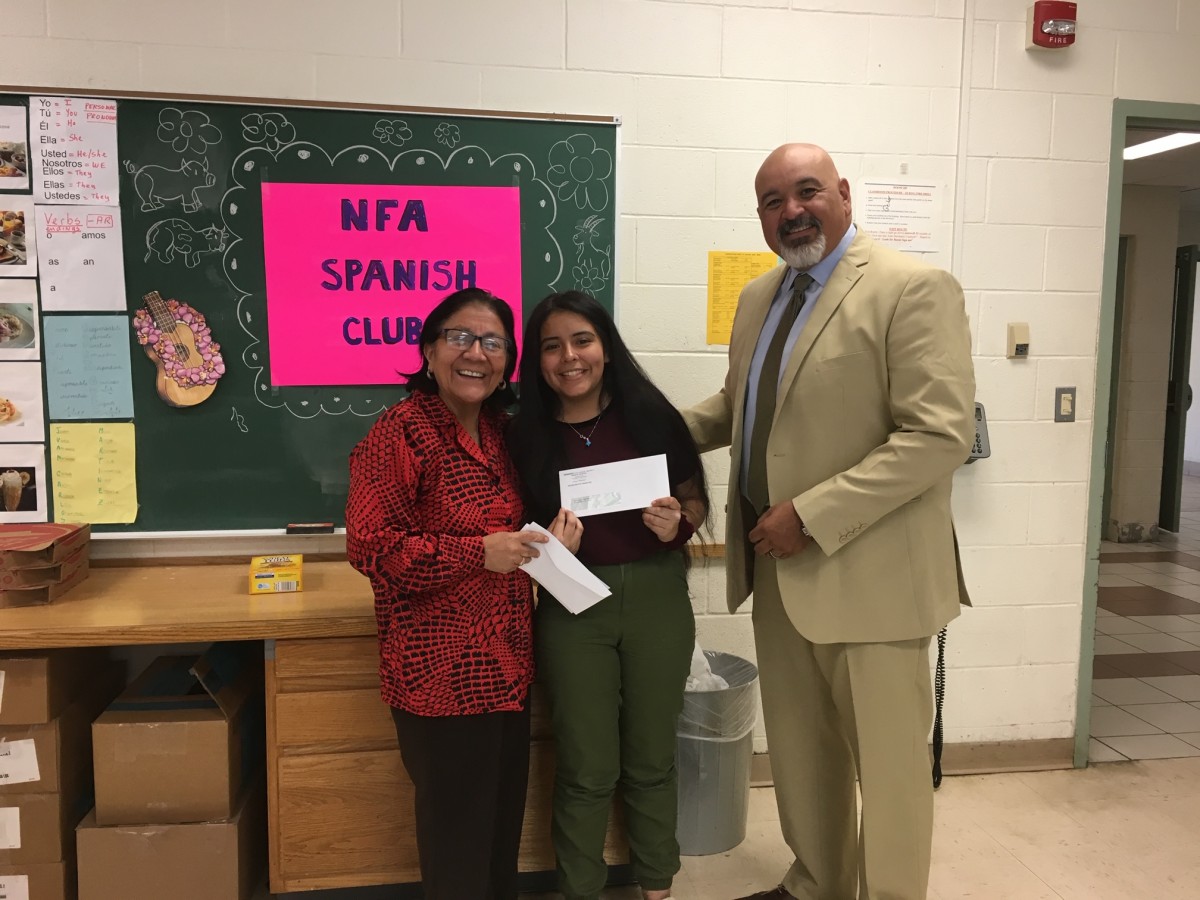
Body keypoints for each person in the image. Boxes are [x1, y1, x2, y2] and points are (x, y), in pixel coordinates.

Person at [683, 144, 976, 900]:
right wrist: (633, 434)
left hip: (873, 579)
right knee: (804, 757)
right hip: (778, 572)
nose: (791, 211)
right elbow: (737, 410)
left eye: (806, 191)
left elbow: (938, 435)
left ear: (843, 194)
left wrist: (809, 516)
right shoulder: (759, 298)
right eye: (773, 201)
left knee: (888, 770)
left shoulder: (912, 288)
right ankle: (817, 882)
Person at [346, 288, 559, 900]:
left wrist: (552, 536)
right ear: (429, 352)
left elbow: (518, 530)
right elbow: (372, 548)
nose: (477, 353)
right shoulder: (401, 433)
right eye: (460, 338)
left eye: (493, 342)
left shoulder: (503, 434)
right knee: (456, 837)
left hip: (507, 667)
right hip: (438, 676)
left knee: (497, 831)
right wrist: (476, 553)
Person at [508, 290, 709, 900]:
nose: (569, 357)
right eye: (551, 346)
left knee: (651, 755)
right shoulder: (522, 436)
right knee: (585, 764)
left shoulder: (650, 414)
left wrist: (680, 522)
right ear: (536, 362)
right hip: (573, 605)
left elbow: (694, 496)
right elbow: (510, 532)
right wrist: (548, 548)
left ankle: (658, 882)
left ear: (606, 348)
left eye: (582, 340)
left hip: (657, 599)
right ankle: (580, 888)